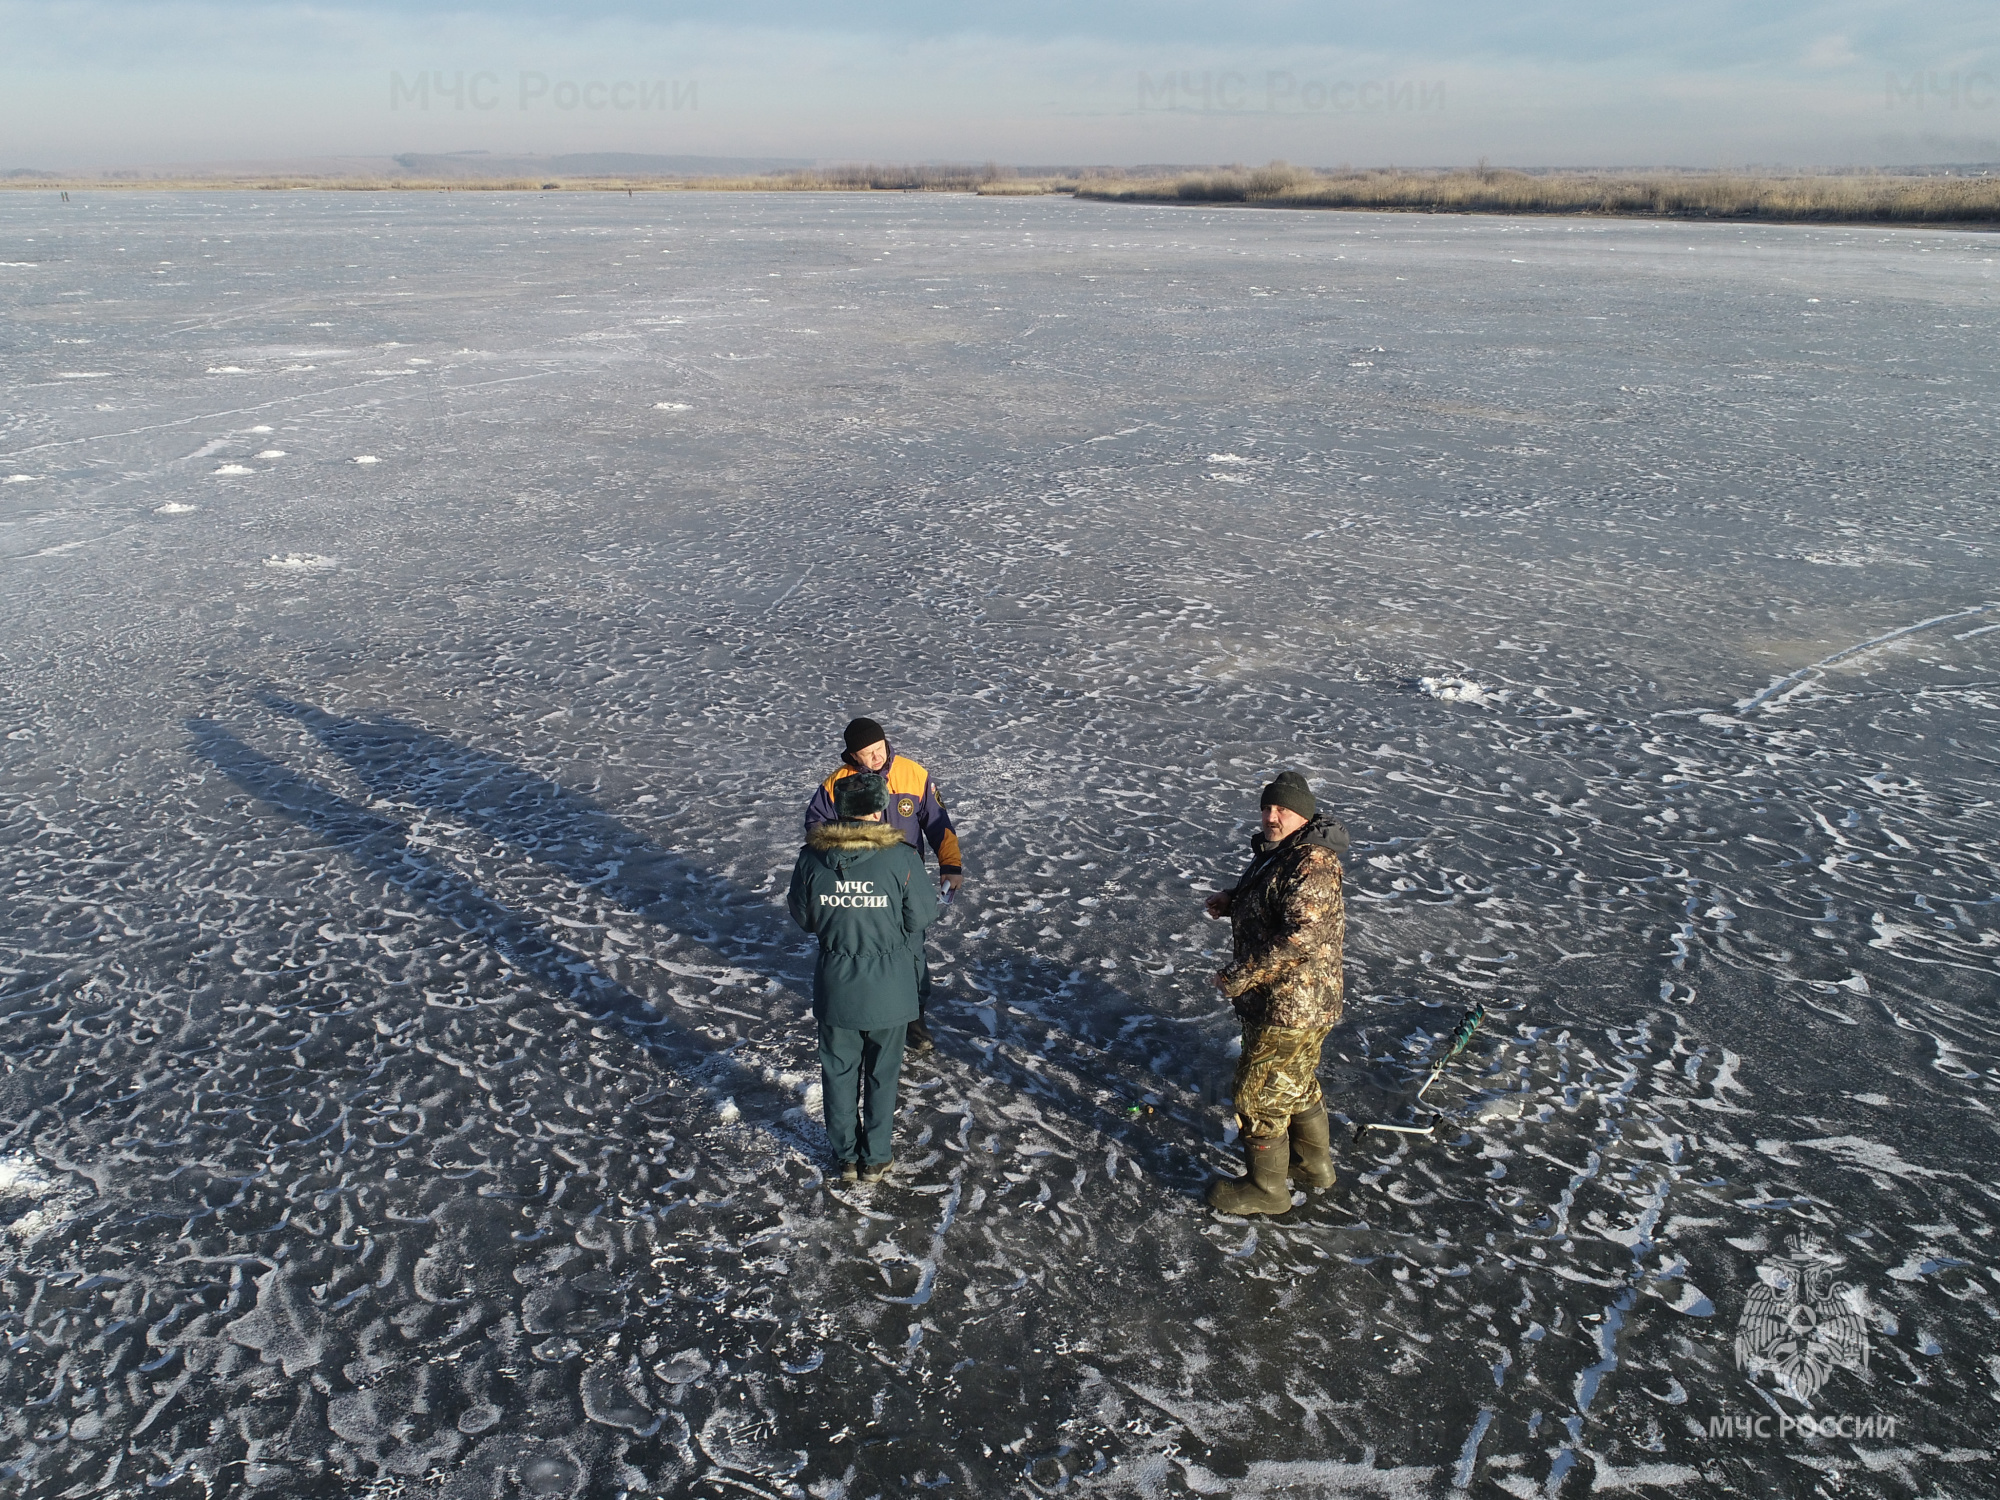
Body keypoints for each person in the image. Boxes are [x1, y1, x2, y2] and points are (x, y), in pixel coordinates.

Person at [1202, 770, 1350, 1215]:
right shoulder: (1284, 852)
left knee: (1258, 1094)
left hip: (1290, 1003)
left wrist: (1239, 974)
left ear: (1301, 814)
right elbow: (1277, 900)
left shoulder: (1312, 863)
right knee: (1294, 1082)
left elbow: (1300, 938)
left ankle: (1266, 1191)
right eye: (1267, 807)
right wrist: (1235, 899)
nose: (1271, 816)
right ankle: (1312, 1167)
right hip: (1296, 1000)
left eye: (1281, 809)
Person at [787, 772, 941, 1184]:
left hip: (836, 987)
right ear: (879, 809)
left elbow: (804, 919)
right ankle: (875, 1158)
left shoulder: (810, 858)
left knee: (837, 1072)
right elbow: (922, 916)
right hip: (890, 988)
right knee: (882, 1073)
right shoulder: (903, 858)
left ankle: (846, 1157)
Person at [804, 717, 963, 1054]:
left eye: (878, 750)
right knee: (861, 955)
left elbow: (938, 824)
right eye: (866, 754)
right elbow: (816, 829)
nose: (875, 758)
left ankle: (914, 1020)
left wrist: (950, 865)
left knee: (911, 954)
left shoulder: (913, 774)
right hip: (857, 890)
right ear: (852, 755)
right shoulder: (837, 783)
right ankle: (859, 1016)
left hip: (903, 884)